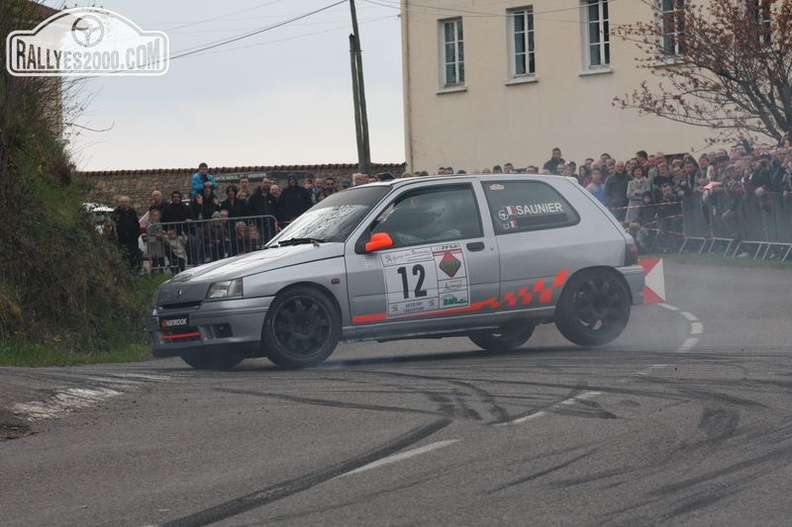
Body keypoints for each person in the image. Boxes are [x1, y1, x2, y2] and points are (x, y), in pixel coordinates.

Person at [110, 196, 141, 270]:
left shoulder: (132, 212)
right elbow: (113, 225)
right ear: (120, 203)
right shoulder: (116, 213)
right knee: (123, 256)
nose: (124, 204)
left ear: (128, 203)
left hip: (132, 239)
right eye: (122, 202)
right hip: (122, 239)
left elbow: (136, 224)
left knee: (133, 256)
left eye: (126, 202)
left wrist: (137, 234)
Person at [248, 178, 280, 243]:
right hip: (258, 225)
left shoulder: (272, 197)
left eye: (268, 183)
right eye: (265, 182)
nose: (266, 184)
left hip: (270, 226)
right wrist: (254, 222)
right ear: (261, 183)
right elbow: (250, 210)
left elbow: (276, 210)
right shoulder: (253, 197)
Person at [146, 208, 166, 273]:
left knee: (161, 259)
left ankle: (162, 272)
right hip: (153, 244)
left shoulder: (159, 223)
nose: (155, 217)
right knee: (155, 260)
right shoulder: (150, 224)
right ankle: (153, 272)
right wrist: (159, 234)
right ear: (151, 216)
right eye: (154, 216)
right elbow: (150, 232)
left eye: (156, 215)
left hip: (160, 244)